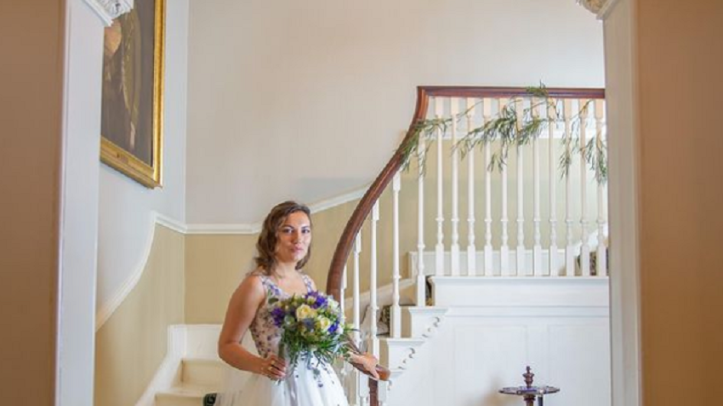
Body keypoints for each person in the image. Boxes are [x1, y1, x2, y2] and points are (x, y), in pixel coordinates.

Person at [215, 201, 379, 406]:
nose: (298, 239)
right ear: (272, 236)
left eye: (305, 231)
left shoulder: (307, 283)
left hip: (318, 387)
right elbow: (226, 345)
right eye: (287, 230)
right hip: (276, 389)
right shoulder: (256, 285)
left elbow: (321, 340)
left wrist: (357, 358)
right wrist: (261, 365)